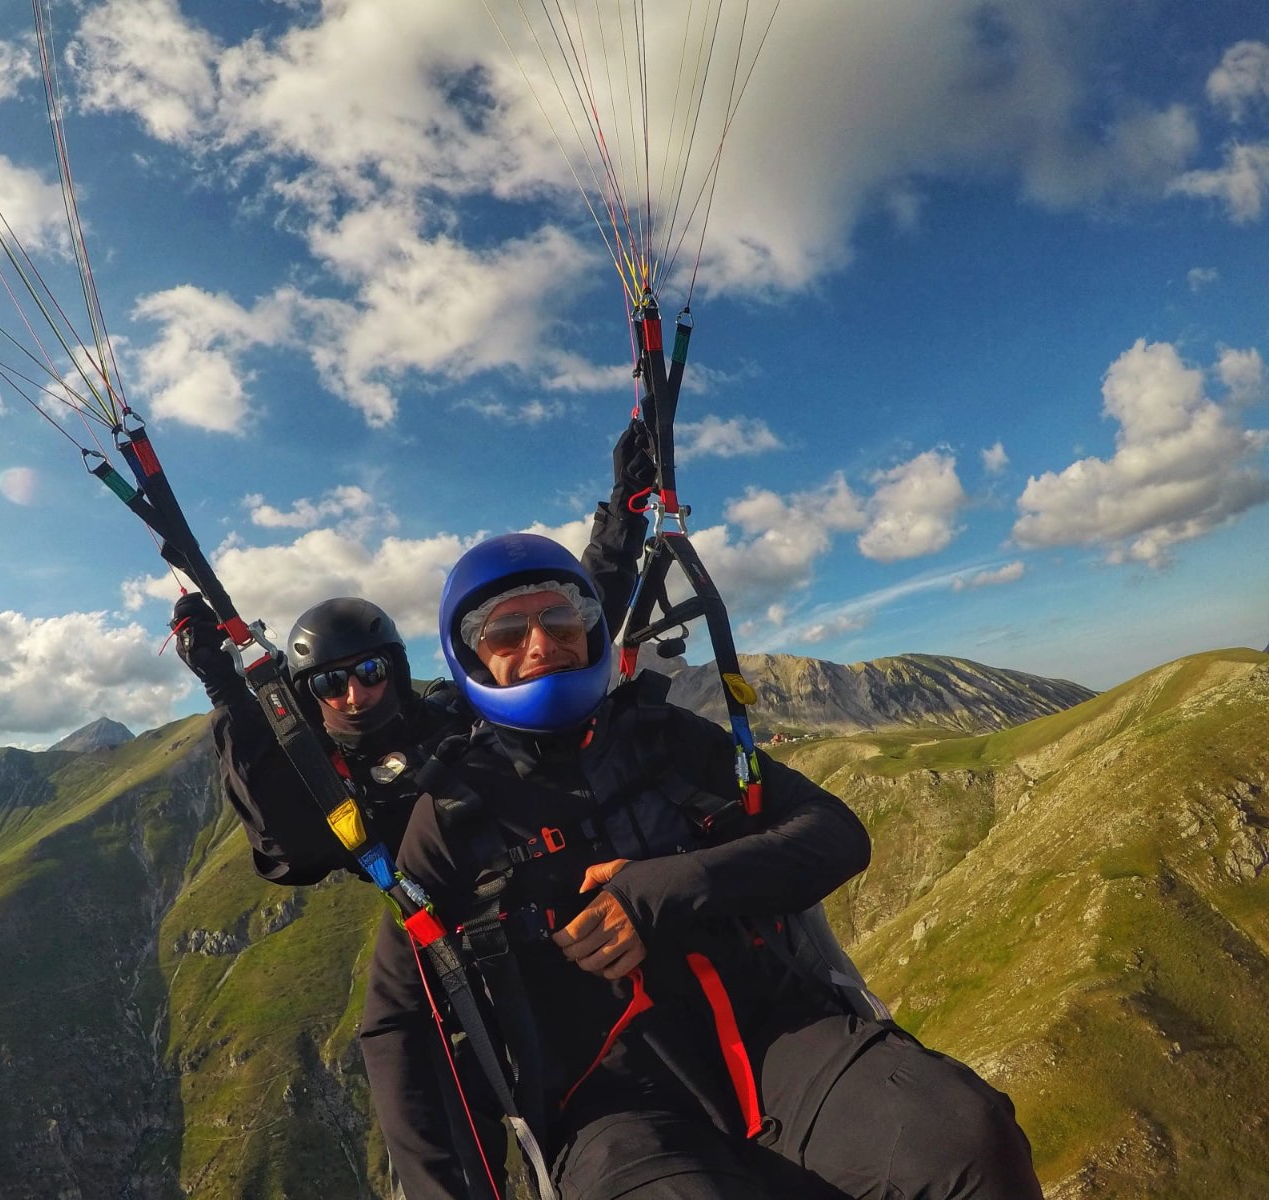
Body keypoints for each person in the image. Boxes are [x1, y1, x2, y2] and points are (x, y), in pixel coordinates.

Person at [359, 532, 1043, 1200]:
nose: (542, 642)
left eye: (562, 615)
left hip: (778, 1037)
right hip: (611, 1111)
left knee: (964, 1139)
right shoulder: (450, 819)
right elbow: (398, 1023)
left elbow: (836, 832)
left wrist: (664, 889)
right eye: (505, 632)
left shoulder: (669, 741)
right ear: (469, 655)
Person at [170, 421, 657, 886]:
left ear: (397, 670)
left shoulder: (454, 720)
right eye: (330, 683)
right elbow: (288, 847)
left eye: (370, 670)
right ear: (307, 692)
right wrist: (227, 693)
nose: (355, 693)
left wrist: (625, 512)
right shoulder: (315, 773)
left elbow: (571, 630)